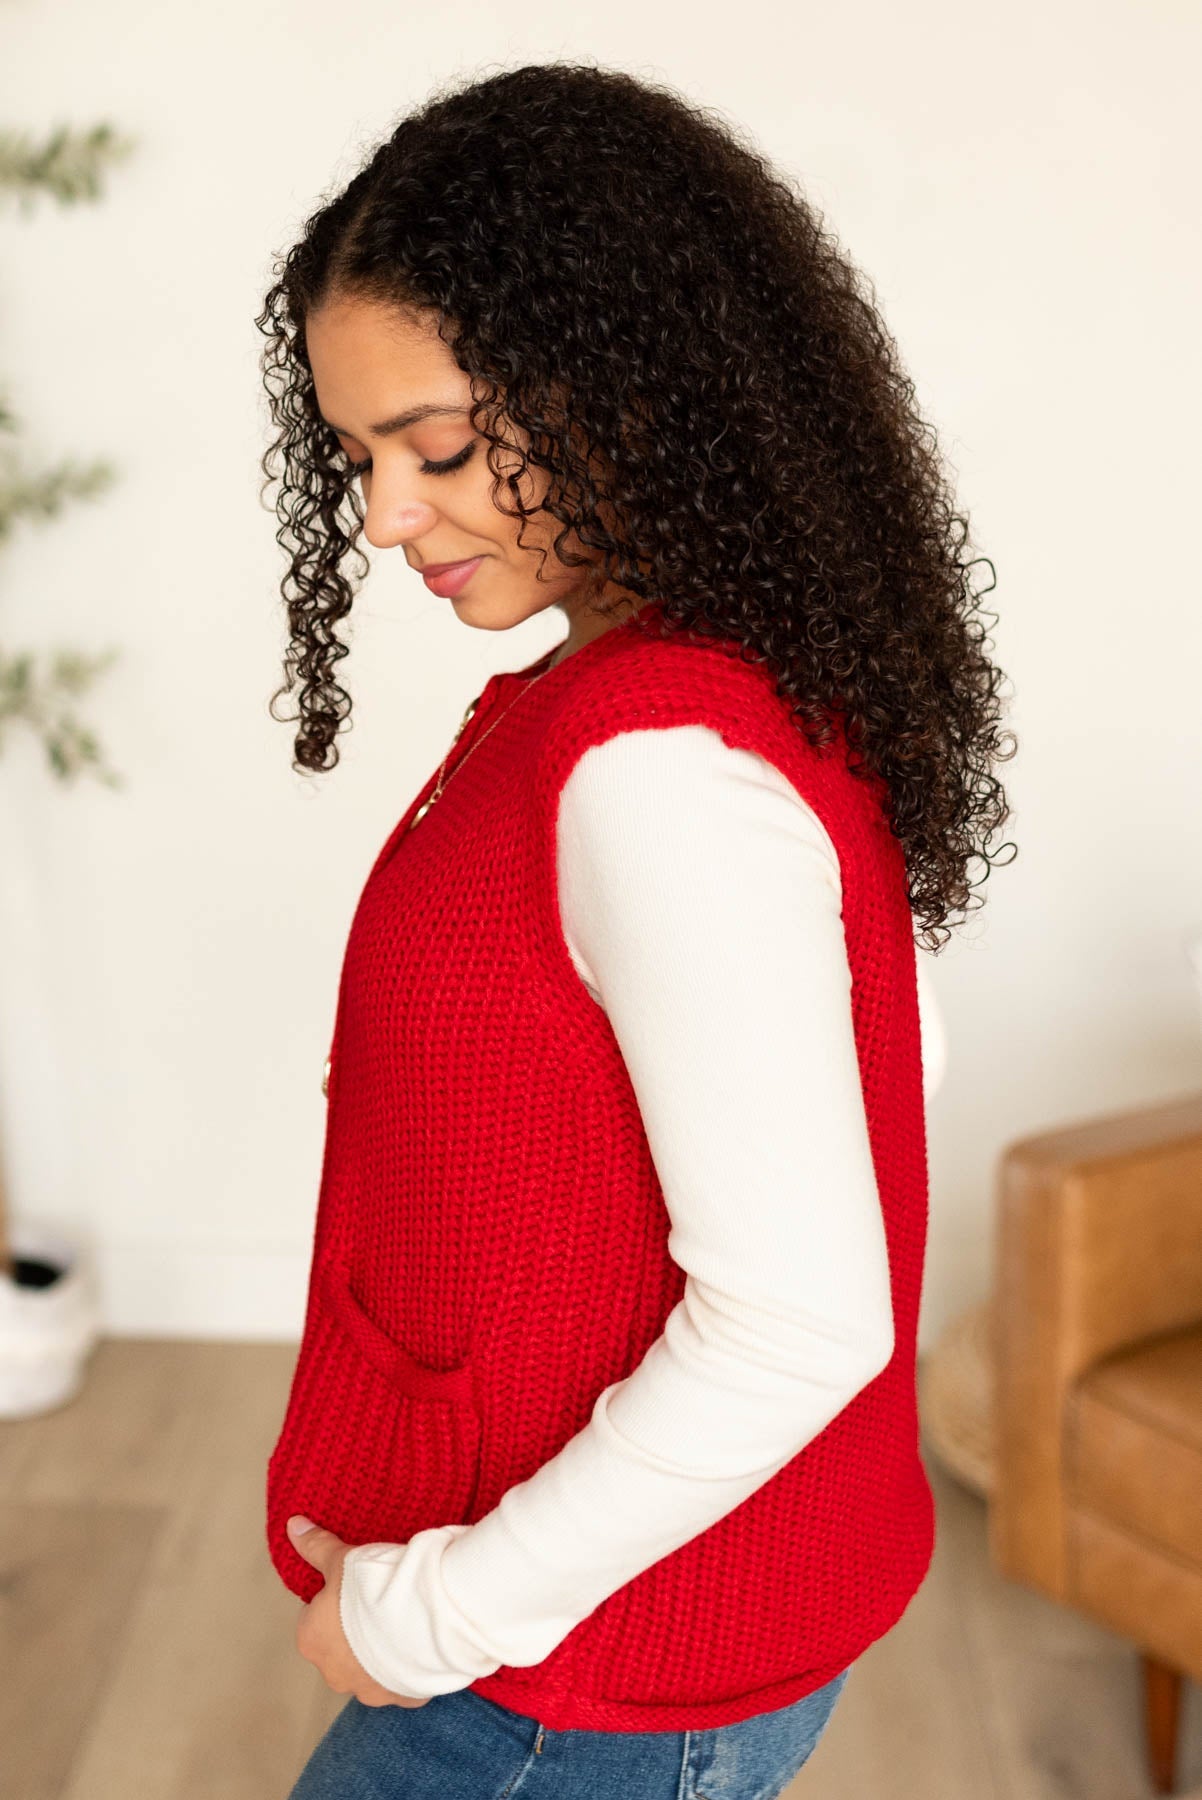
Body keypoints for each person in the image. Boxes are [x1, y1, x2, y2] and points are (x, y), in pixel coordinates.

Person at [255, 60, 1015, 1800]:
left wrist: (425, 1620)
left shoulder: (654, 760)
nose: (379, 516)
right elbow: (888, 1058)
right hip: (600, 1642)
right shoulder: (735, 681)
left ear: (625, 388)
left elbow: (800, 1317)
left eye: (433, 446)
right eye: (352, 454)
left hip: (566, 1684)